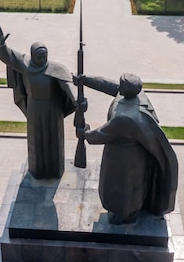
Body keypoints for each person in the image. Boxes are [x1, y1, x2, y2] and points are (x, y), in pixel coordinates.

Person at [76, 73, 178, 224]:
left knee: (122, 187)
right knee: (131, 186)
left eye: (121, 85)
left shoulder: (125, 118)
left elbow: (100, 135)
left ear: (125, 89)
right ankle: (127, 211)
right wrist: (86, 80)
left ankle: (125, 215)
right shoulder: (138, 97)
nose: (118, 87)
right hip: (133, 155)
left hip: (123, 159)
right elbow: (108, 85)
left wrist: (84, 132)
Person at [0, 25, 76, 179]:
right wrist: (0, 45)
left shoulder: (56, 68)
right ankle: (37, 170)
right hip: (34, 111)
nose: (43, 59)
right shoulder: (25, 64)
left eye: (45, 56)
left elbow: (66, 84)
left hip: (53, 110)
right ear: (33, 56)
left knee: (54, 140)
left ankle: (54, 170)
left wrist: (75, 99)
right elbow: (9, 57)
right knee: (36, 141)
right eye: (40, 57)